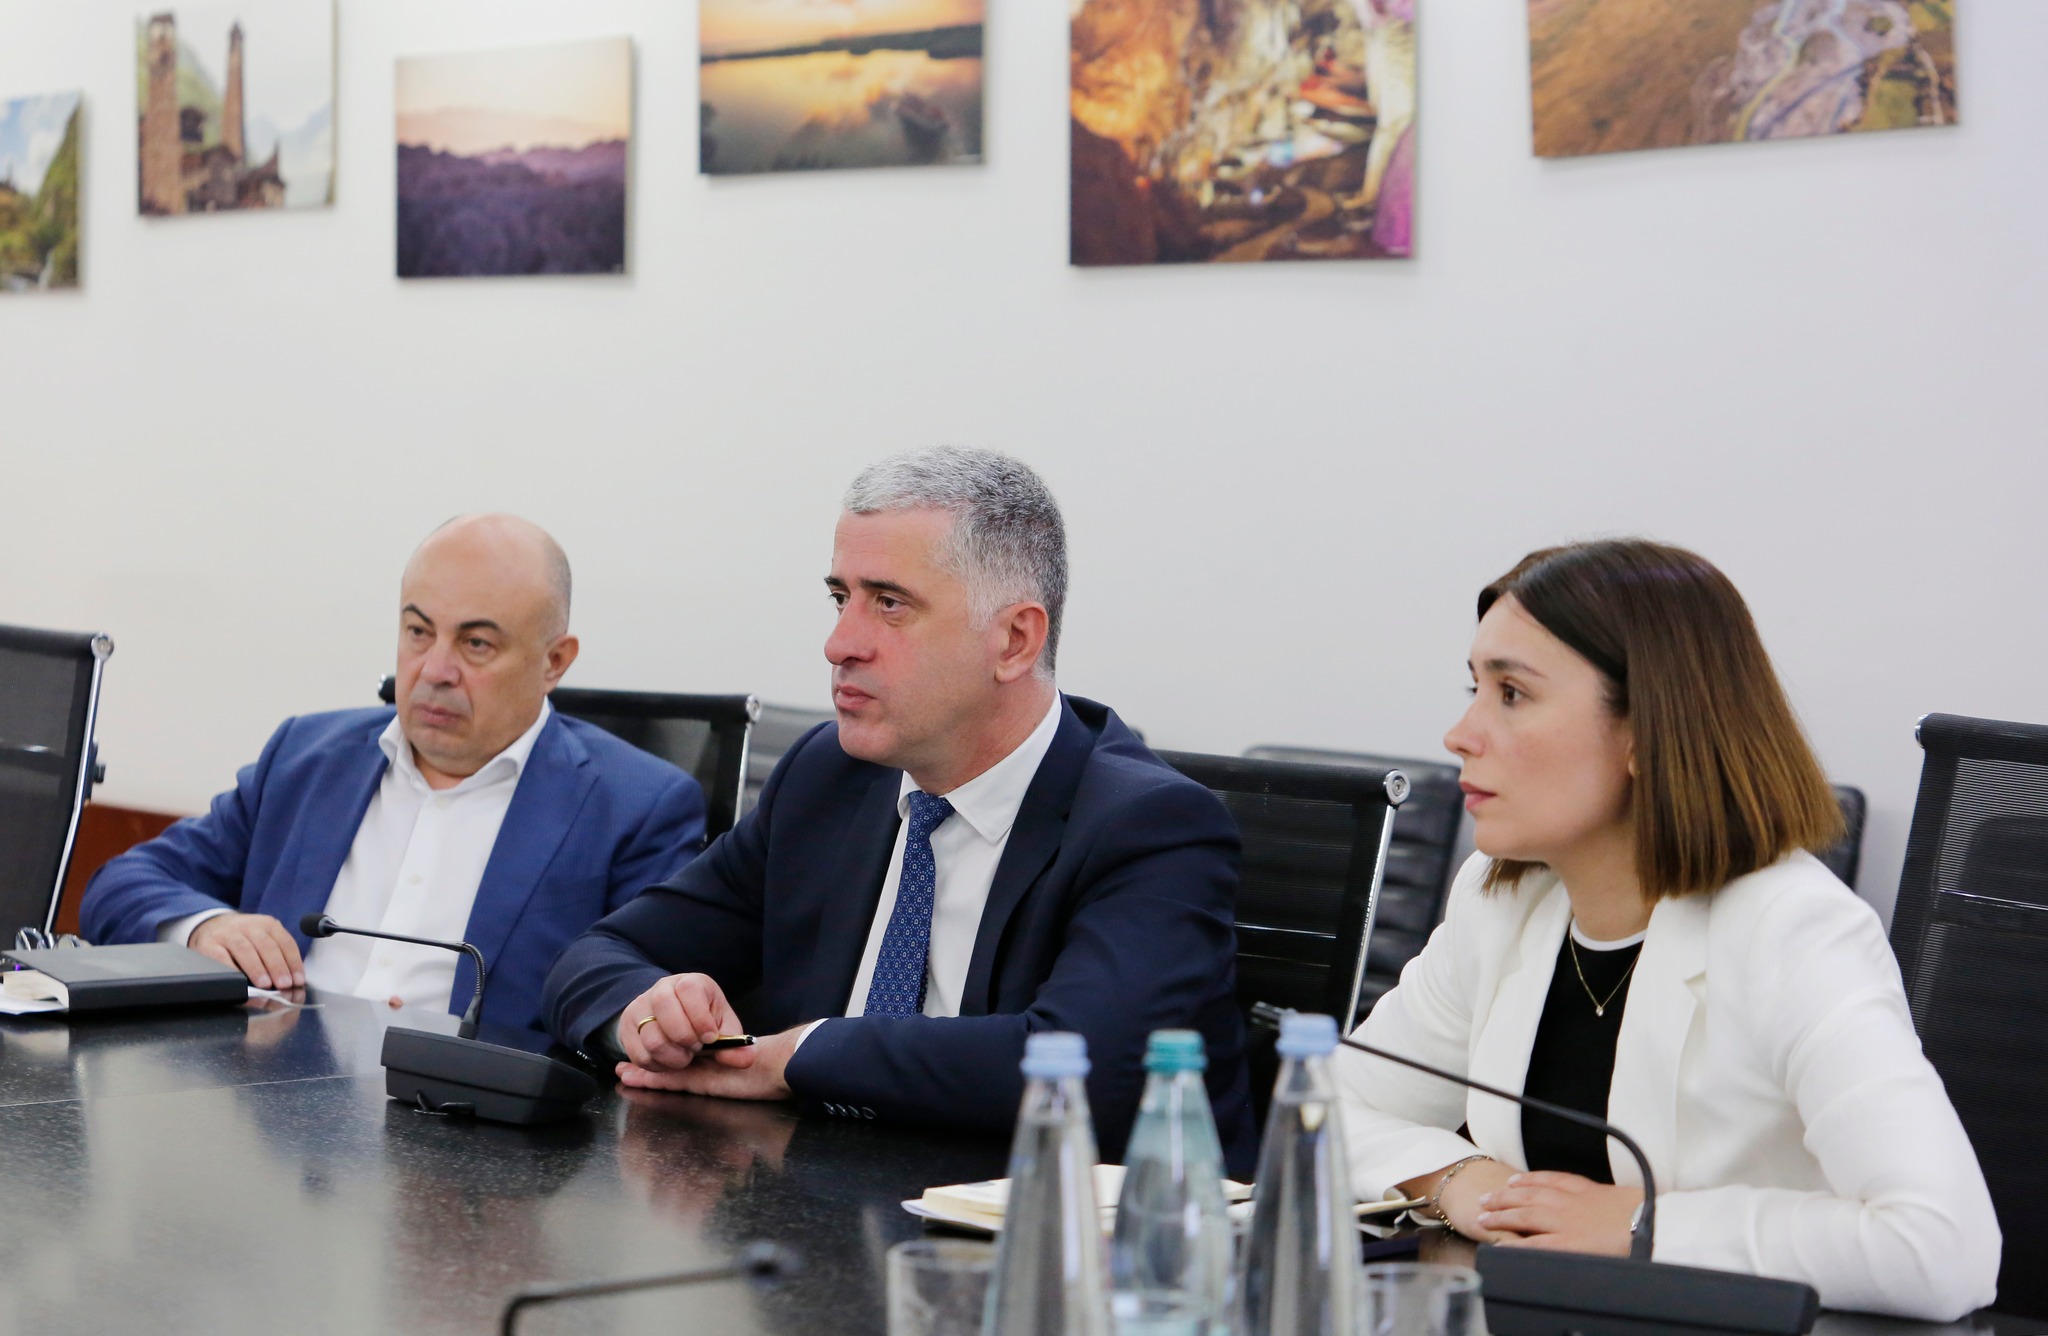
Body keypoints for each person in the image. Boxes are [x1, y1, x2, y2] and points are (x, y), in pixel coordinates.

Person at [1332, 539, 2000, 1320]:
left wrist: (1645, 1224)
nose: (1460, 733)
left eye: (1511, 693)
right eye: (1474, 687)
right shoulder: (1500, 897)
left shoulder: (1792, 928)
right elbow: (1332, 1106)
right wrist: (1458, 1181)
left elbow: (1941, 1247)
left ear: (1646, 733)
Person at [543, 447, 1258, 1175]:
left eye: (890, 604)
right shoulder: (829, 778)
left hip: (1047, 1225)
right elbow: (594, 958)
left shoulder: (1151, 826)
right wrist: (648, 1016)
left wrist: (797, 1057)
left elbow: (1081, 1069)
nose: (839, 644)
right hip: (819, 1205)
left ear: (1014, 640)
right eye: (840, 598)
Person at [81, 514, 706, 1035]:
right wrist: (205, 927)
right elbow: (122, 885)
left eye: (476, 644)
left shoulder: (634, 806)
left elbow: (642, 1010)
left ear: (554, 662)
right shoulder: (307, 759)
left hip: (466, 1126)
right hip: (270, 1104)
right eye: (418, 632)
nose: (434, 669)